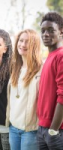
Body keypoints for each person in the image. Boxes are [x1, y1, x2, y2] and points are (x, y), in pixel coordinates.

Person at [6, 29, 42, 150]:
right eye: (21, 41)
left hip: (30, 130)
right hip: (13, 128)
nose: (22, 45)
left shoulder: (41, 69)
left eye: (27, 42)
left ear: (34, 45)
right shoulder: (15, 67)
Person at [37, 12, 63, 150]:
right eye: (43, 31)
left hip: (56, 131)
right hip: (42, 129)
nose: (45, 34)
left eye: (51, 30)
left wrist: (53, 130)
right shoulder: (49, 57)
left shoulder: (61, 56)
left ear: (61, 32)